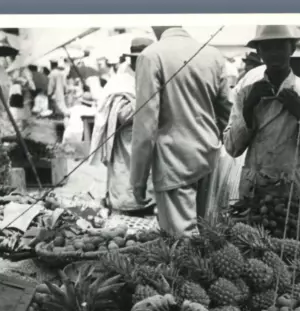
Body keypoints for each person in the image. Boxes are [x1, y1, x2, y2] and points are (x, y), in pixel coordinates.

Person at [131, 26, 232, 237]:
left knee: (181, 241)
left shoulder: (151, 56)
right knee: (208, 233)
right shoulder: (212, 54)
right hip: (209, 155)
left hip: (173, 160)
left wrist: (138, 180)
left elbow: (145, 125)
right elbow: (226, 111)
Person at [223, 25, 300, 206]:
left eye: (280, 46)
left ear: (292, 49)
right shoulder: (246, 92)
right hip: (256, 190)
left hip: (296, 188)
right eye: (267, 48)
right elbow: (232, 148)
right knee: (255, 233)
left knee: (298, 232)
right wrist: (248, 110)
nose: (274, 53)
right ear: (259, 51)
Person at [90, 37, 156, 216]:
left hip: (145, 139)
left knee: (145, 177)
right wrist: (145, 103)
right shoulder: (121, 82)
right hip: (126, 141)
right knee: (126, 179)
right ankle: (126, 208)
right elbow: (121, 115)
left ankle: (146, 205)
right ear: (133, 60)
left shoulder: (148, 77)